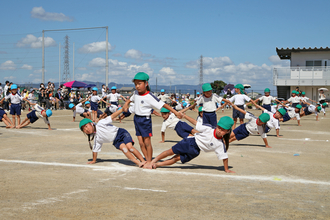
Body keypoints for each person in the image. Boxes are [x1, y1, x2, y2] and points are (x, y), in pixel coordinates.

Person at [123, 72, 183, 169]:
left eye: (139, 83)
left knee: (147, 142)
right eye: (135, 84)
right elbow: (130, 100)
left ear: (146, 84)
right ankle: (146, 160)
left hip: (145, 120)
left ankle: (150, 161)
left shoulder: (150, 96)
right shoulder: (135, 93)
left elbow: (163, 104)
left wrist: (175, 112)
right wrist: (126, 104)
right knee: (141, 143)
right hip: (136, 119)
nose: (137, 86)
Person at [150, 116, 235, 173]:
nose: (220, 130)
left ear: (227, 131)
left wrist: (226, 169)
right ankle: (153, 161)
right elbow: (196, 123)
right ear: (217, 126)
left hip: (195, 151)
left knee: (176, 159)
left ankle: (157, 165)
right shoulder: (209, 129)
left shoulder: (220, 144)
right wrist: (185, 116)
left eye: (223, 130)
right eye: (219, 127)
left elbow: (224, 157)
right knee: (170, 152)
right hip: (190, 142)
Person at [79, 109, 146, 167]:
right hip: (116, 140)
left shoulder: (101, 123)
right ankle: (138, 163)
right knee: (124, 149)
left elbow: (112, 116)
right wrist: (94, 160)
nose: (86, 129)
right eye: (84, 129)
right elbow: (95, 149)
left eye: (86, 126)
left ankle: (143, 161)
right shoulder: (97, 138)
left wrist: (122, 109)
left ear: (92, 123)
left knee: (130, 147)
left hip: (121, 133)